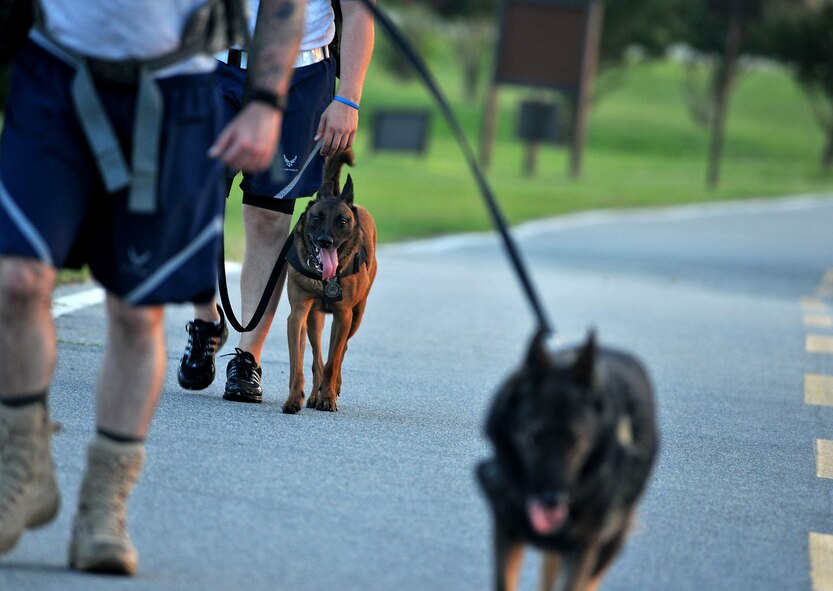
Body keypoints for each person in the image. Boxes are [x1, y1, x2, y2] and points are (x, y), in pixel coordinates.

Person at [0, 0, 304, 575]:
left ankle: (104, 507)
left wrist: (266, 101)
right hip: (52, 72)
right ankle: (22, 464)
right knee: (16, 279)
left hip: (176, 86)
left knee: (139, 313)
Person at [176, 0, 375, 404]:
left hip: (300, 75)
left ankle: (248, 357)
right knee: (191, 202)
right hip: (214, 65)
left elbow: (358, 11)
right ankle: (207, 320)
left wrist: (349, 98)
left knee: (269, 217)